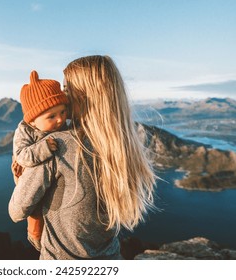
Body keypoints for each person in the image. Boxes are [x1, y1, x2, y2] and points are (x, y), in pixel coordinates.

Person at [9, 55, 156, 259]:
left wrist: (20, 180)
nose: (62, 98)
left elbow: (16, 211)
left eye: (66, 91)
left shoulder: (57, 145)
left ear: (83, 96)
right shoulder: (121, 146)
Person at [12, 70, 69, 251]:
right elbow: (21, 155)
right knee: (35, 213)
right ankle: (37, 240)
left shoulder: (58, 125)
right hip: (27, 175)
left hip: (48, 181)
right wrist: (44, 148)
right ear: (33, 121)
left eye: (63, 111)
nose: (60, 119)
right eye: (51, 116)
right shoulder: (24, 131)